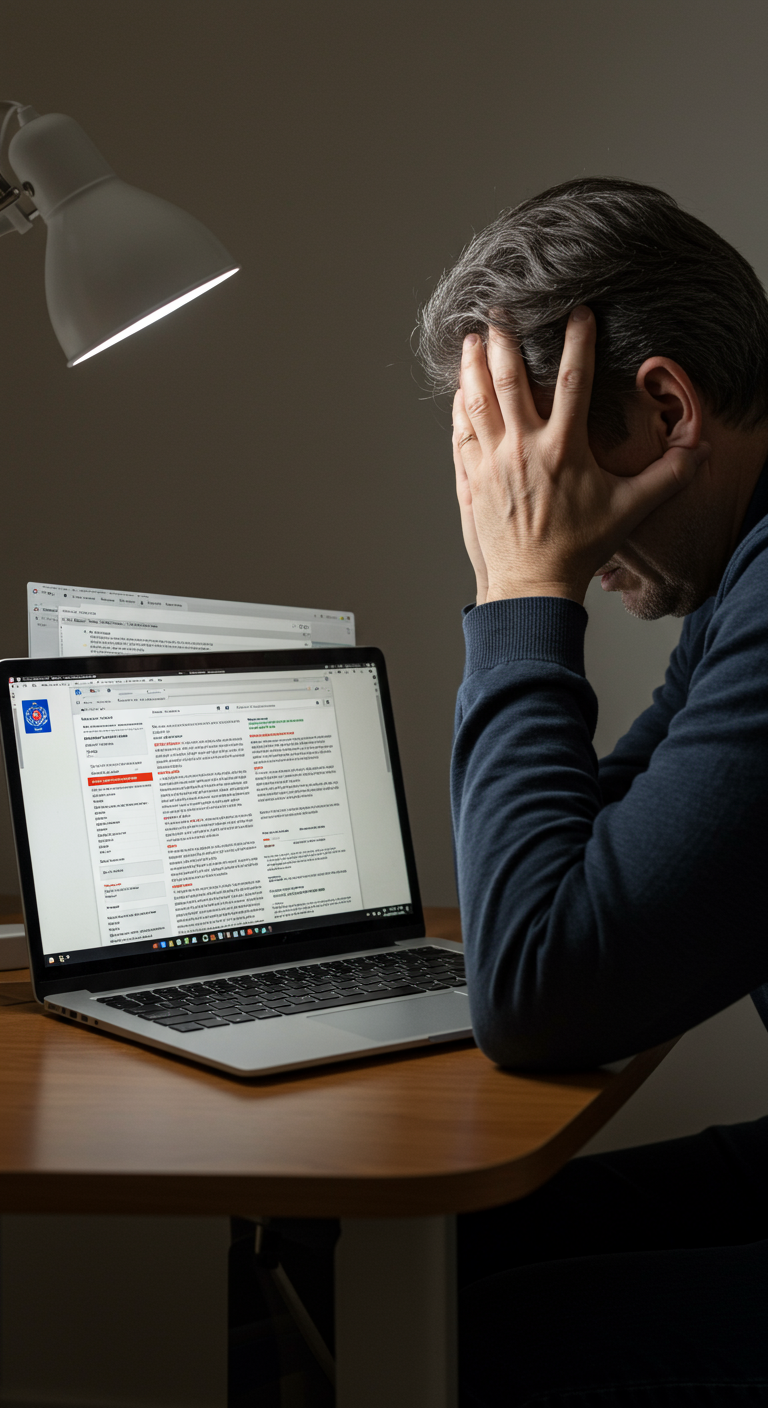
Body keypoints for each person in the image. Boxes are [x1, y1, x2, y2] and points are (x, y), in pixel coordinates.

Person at [417, 178, 768, 1406]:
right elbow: (602, 851)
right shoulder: (745, 578)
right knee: (401, 1264)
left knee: (468, 1337)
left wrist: (524, 591)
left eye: (536, 459)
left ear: (665, 406)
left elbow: (541, 984)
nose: (513, 509)